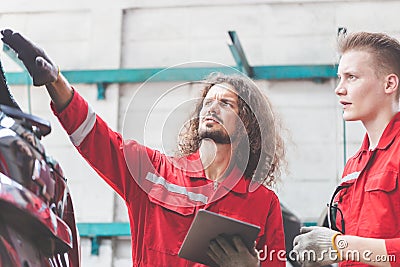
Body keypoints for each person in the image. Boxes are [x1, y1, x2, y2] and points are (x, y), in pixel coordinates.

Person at [1, 29, 287, 266]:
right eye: (208, 102)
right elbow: (94, 136)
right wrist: (55, 80)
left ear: (247, 125)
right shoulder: (153, 172)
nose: (212, 108)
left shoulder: (263, 204)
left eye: (226, 104)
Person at [293, 31, 400, 267]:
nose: (339, 89)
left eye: (351, 77)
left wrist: (340, 246)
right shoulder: (354, 165)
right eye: (340, 78)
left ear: (389, 83)